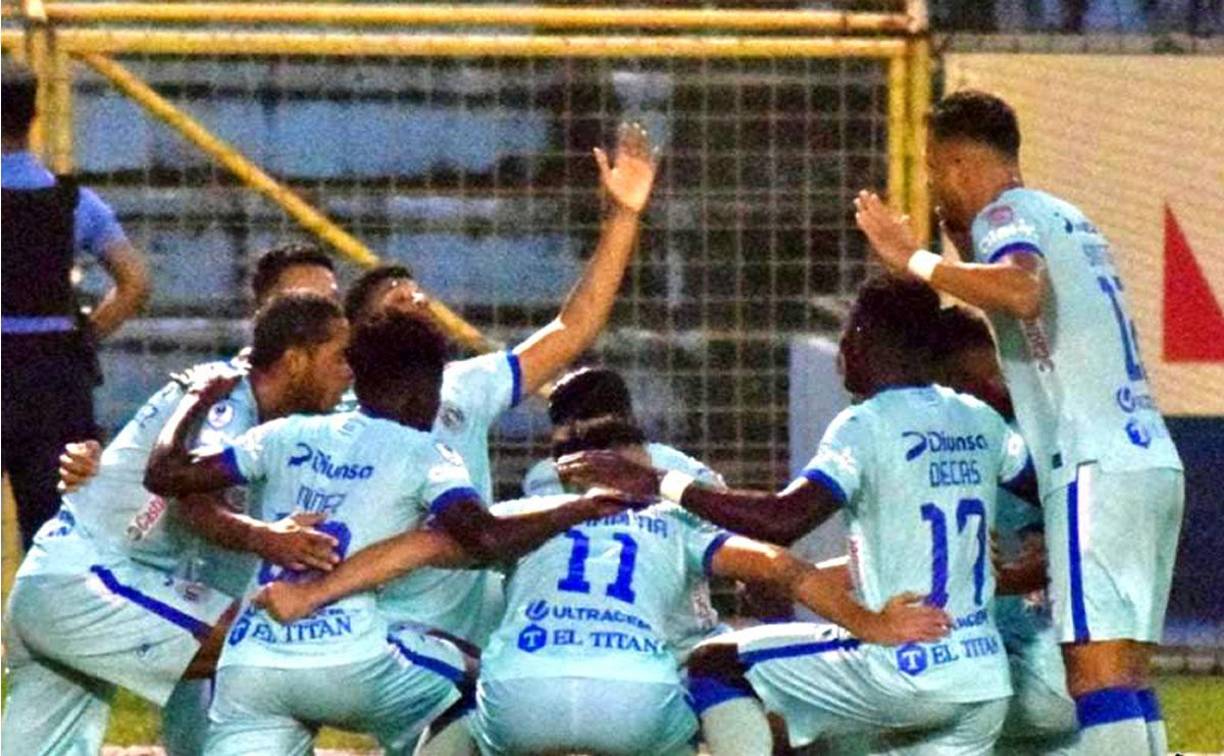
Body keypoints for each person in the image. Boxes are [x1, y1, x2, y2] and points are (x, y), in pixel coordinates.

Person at [252, 412, 950, 756]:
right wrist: (871, 624)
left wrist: (310, 593)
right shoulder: (674, 520)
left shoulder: (519, 519)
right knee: (714, 672)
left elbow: (414, 548)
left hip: (521, 700)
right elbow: (776, 564)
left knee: (466, 679)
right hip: (635, 704)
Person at [559, 275, 1037, 755]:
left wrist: (658, 482)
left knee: (717, 663)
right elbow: (1048, 494)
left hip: (906, 670)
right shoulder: (980, 419)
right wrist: (1031, 564)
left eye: (846, 332)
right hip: (983, 678)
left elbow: (782, 521)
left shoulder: (866, 424)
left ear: (863, 339)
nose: (840, 349)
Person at [142, 310, 643, 755]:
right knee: (486, 687)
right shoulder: (425, 453)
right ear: (422, 391)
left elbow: (165, 474)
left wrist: (195, 399)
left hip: (254, 660)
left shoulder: (286, 434)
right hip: (352, 660)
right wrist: (580, 508)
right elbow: (486, 539)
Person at [854, 89, 1184, 756]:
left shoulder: (1006, 215)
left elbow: (1021, 290)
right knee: (1126, 673)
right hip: (1146, 462)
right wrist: (956, 242)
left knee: (1095, 674)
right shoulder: (1066, 216)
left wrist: (913, 258)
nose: (935, 191)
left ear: (954, 165)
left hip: (1092, 470)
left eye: (934, 172)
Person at [338, 121, 658, 647]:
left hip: (472, 633)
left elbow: (573, 328)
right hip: (372, 630)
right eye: (399, 300)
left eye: (421, 296)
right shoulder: (333, 414)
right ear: (363, 333)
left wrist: (624, 215)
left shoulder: (466, 385)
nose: (420, 303)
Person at [1, 293, 350, 755]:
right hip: (86, 582)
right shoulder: (229, 403)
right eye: (339, 357)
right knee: (261, 637)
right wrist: (268, 538)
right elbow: (191, 501)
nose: (348, 372)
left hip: (59, 582)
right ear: (296, 360)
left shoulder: (248, 408)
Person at [2, 60, 151, 549]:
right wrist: (84, 337)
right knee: (53, 533)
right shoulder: (72, 201)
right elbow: (135, 282)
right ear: (33, 116)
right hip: (54, 382)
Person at [935, 305, 1080, 755]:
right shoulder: (932, 442)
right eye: (976, 381)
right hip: (1022, 677)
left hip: (1029, 670)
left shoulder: (1027, 440)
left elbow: (1089, 541)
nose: (995, 388)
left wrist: (1020, 575)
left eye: (993, 376)